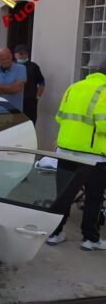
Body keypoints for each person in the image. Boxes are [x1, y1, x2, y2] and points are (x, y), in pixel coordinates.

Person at [46, 62, 106, 250]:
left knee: (63, 194)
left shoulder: (74, 87)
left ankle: (55, 233)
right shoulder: (104, 90)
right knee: (94, 197)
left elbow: (59, 117)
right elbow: (104, 125)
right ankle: (90, 239)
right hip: (94, 156)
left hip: (65, 151)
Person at [14, 44, 45, 124]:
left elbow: (41, 82)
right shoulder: (11, 66)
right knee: (14, 124)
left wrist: (37, 96)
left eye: (26, 53)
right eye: (21, 53)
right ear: (15, 55)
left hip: (29, 101)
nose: (23, 55)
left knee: (29, 123)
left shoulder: (33, 67)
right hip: (14, 100)